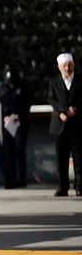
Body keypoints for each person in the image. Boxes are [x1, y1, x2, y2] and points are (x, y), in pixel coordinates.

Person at [47, 53, 82, 197]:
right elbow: (51, 99)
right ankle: (63, 187)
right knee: (61, 159)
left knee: (79, 157)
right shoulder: (54, 81)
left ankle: (79, 186)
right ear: (59, 67)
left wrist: (75, 108)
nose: (68, 68)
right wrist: (62, 111)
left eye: (70, 65)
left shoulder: (80, 81)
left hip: (77, 124)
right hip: (59, 124)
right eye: (65, 66)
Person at [0, 64, 32, 187]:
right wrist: (3, 117)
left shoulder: (23, 87)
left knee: (20, 151)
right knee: (8, 152)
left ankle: (21, 179)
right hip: (7, 124)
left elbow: (28, 103)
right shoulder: (1, 88)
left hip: (20, 123)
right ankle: (10, 179)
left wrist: (19, 116)